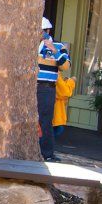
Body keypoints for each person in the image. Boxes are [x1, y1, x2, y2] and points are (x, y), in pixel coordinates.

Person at [36, 17, 71, 160]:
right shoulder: (28, 43)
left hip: (46, 88)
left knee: (45, 121)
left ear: (48, 31)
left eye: (43, 31)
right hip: (29, 87)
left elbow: (66, 66)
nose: (40, 34)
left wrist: (54, 50)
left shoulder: (58, 45)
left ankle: (47, 154)